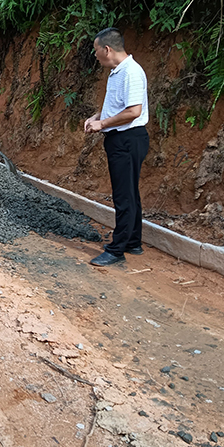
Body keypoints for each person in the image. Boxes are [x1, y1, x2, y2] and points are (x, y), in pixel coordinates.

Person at [84, 28, 150, 267]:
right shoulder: (117, 72)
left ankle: (117, 249)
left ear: (107, 49)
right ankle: (133, 241)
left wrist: (102, 124)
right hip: (122, 138)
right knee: (130, 193)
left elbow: (134, 111)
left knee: (123, 196)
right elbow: (119, 107)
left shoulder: (131, 72)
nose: (95, 55)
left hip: (127, 138)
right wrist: (96, 116)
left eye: (96, 50)